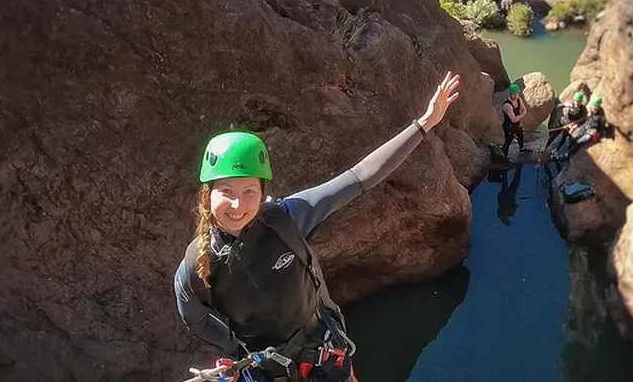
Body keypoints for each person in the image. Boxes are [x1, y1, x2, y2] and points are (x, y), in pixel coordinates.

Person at [174, 72, 461, 382]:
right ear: (208, 194)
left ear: (261, 193)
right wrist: (237, 348)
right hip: (265, 370)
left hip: (322, 354)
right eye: (226, 191)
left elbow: (358, 178)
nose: (237, 205)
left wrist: (425, 123)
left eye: (249, 192)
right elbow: (195, 318)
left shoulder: (285, 219)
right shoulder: (194, 266)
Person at [552, 93, 608, 165]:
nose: (577, 103)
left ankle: (567, 155)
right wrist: (564, 105)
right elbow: (557, 108)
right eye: (576, 101)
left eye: (579, 101)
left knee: (578, 142)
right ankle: (559, 150)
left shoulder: (587, 111)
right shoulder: (569, 105)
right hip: (568, 124)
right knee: (571, 138)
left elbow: (584, 119)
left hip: (590, 130)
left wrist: (575, 125)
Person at [501, 84, 528, 157]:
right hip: (508, 125)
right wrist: (521, 115)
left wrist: (519, 117)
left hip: (516, 123)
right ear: (510, 94)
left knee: (520, 135)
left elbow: (524, 110)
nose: (516, 96)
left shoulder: (519, 100)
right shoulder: (507, 106)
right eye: (514, 94)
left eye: (517, 93)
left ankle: (522, 148)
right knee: (508, 140)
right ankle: (504, 154)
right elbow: (513, 120)